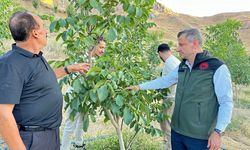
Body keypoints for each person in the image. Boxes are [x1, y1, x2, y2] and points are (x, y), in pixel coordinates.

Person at [127, 28, 233, 150]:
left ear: (195, 44)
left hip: (200, 137)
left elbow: (226, 102)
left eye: (181, 45)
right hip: (177, 132)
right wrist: (139, 87)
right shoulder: (183, 66)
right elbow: (165, 81)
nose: (177, 49)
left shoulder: (216, 67)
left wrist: (218, 131)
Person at [0, 11, 90, 150]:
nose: (46, 31)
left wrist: (68, 69)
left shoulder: (34, 57)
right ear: (35, 33)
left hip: (49, 136)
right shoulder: (11, 64)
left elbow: (38, 81)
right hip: (32, 139)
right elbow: (3, 114)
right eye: (43, 27)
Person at [61, 37, 106, 150]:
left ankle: (78, 144)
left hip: (86, 95)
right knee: (71, 123)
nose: (102, 50)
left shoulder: (97, 60)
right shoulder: (83, 58)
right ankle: (64, 148)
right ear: (93, 46)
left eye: (104, 48)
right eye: (100, 47)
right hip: (75, 94)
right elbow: (83, 76)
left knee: (82, 120)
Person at [157, 43, 180, 149]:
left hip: (170, 99)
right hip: (173, 97)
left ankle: (169, 146)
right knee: (166, 123)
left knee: (166, 124)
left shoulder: (170, 63)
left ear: (160, 53)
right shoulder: (174, 60)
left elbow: (176, 79)